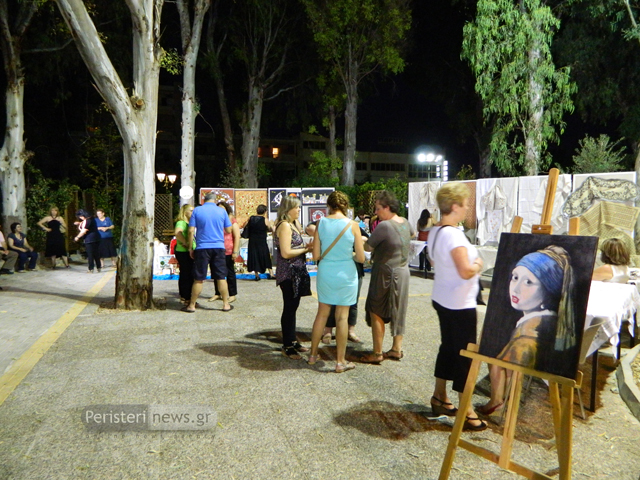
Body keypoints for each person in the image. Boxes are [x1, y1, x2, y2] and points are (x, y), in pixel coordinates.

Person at [478, 245, 575, 415]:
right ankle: (502, 402)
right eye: (515, 277)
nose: (516, 288)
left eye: (528, 282)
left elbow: (511, 361)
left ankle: (498, 402)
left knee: (494, 358)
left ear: (548, 288)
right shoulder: (544, 321)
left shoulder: (529, 335)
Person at [427, 182, 487, 431]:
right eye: (465, 204)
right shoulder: (453, 234)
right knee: (465, 355)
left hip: (444, 298)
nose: (467, 208)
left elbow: (434, 261)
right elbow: (465, 271)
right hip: (459, 303)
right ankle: (466, 409)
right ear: (454, 206)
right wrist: (479, 264)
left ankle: (440, 396)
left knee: (449, 348)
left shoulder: (436, 231)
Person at [308, 191, 365, 373]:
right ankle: (340, 362)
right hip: (346, 273)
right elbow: (361, 258)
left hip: (326, 271)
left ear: (329, 206)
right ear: (345, 206)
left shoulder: (321, 223)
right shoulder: (353, 225)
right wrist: (349, 254)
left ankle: (312, 354)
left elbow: (315, 255)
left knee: (322, 314)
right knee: (342, 317)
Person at [361, 191, 414, 364]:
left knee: (376, 308)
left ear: (387, 207)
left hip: (385, 272)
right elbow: (412, 234)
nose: (376, 213)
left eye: (378, 208)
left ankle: (377, 353)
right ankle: (396, 349)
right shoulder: (405, 222)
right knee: (399, 309)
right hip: (403, 271)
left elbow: (368, 247)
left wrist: (361, 239)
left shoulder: (384, 226)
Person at [274, 196, 314, 359]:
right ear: (288, 209)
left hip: (296, 271)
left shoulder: (292, 224)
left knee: (293, 307)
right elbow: (286, 252)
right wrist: (305, 250)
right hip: (288, 273)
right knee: (289, 308)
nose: (299, 210)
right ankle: (288, 345)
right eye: (296, 207)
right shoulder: (284, 225)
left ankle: (292, 339)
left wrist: (305, 247)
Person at [184, 192, 233, 313]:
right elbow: (228, 229)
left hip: (202, 247)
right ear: (215, 200)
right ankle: (226, 304)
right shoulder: (221, 211)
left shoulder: (197, 210)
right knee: (221, 277)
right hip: (218, 247)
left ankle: (192, 305)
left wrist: (190, 247)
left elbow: (191, 230)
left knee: (198, 278)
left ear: (204, 200)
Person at [210, 202, 240, 304]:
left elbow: (237, 236)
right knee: (216, 272)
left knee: (229, 272)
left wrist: (235, 251)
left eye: (222, 208)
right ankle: (218, 293)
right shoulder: (214, 220)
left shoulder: (231, 220)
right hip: (216, 249)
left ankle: (232, 294)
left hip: (228, 250)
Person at [243, 204, 273, 281]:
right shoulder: (265, 220)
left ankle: (256, 275)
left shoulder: (251, 218)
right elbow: (270, 228)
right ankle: (271, 273)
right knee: (265, 256)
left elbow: (245, 226)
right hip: (261, 241)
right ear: (265, 211)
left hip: (252, 241)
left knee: (254, 257)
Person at [174, 204, 196, 304]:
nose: (192, 212)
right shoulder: (181, 222)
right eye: (191, 210)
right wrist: (186, 242)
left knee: (188, 273)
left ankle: (187, 296)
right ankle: (185, 296)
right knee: (186, 274)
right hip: (183, 251)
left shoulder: (189, 223)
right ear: (184, 212)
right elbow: (177, 232)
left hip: (188, 251)